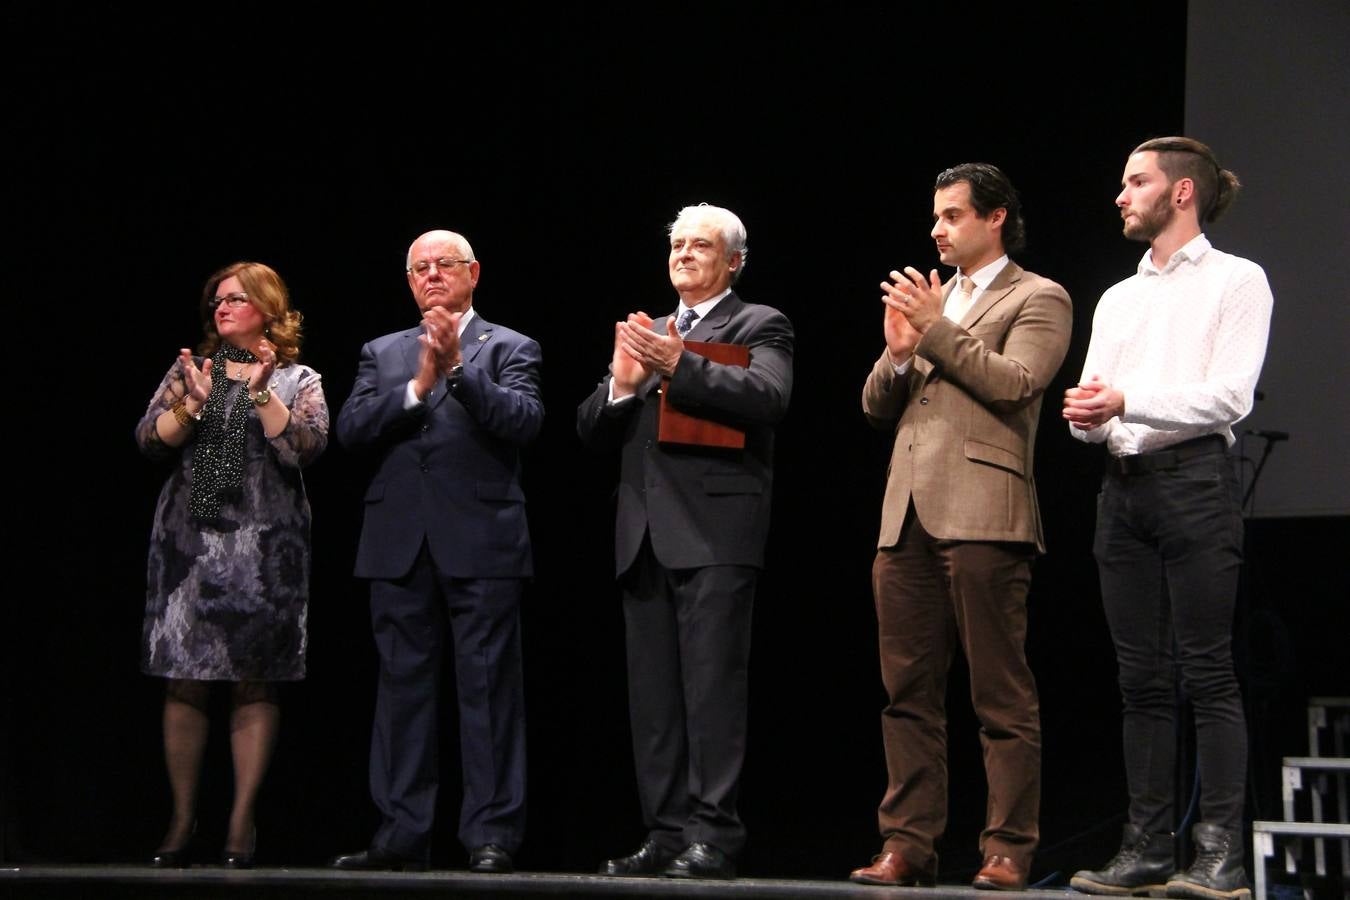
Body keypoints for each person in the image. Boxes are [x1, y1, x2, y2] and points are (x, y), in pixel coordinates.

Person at [851, 164, 1072, 891]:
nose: (937, 229)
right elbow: (879, 408)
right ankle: (907, 845)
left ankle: (1009, 848)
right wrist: (897, 352)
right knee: (906, 692)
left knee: (999, 694)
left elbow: (1015, 385)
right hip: (905, 514)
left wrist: (935, 329)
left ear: (996, 216)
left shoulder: (1038, 296)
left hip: (985, 510)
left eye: (951, 216)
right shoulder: (934, 307)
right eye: (936, 217)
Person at [1064, 137, 1271, 900]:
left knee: (1208, 674)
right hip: (1124, 490)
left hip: (1195, 484)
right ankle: (1146, 847)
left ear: (1181, 192)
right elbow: (1096, 404)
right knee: (1140, 682)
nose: (1121, 195)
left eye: (1135, 181)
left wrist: (1126, 402)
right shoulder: (1120, 297)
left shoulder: (1237, 280)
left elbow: (1230, 398)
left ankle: (1218, 855)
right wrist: (1088, 417)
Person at [577, 204, 793, 880]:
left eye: (702, 245)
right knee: (655, 701)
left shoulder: (760, 323)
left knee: (711, 692)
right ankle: (666, 831)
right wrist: (621, 382)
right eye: (677, 244)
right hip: (643, 535)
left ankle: (714, 833)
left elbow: (768, 395)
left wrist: (681, 364)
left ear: (734, 260)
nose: (685, 255)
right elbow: (590, 429)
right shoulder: (652, 330)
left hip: (716, 532)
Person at [331, 230, 541, 874]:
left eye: (442, 265)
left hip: (481, 542)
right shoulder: (382, 352)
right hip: (398, 543)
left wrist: (455, 370)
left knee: (487, 690)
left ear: (472, 272)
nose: (429, 276)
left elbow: (523, 422)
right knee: (402, 692)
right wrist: (418, 386)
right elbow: (351, 430)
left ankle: (491, 833)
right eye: (417, 268)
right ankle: (401, 831)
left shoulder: (510, 346)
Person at [137, 261, 328, 868]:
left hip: (264, 548)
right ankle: (181, 820)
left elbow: (306, 447)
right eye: (217, 299)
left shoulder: (299, 376)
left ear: (268, 310)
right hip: (190, 547)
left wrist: (261, 392)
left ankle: (241, 824)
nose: (222, 308)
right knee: (184, 677)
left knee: (254, 677)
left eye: (237, 298)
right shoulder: (193, 369)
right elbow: (148, 439)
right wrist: (194, 406)